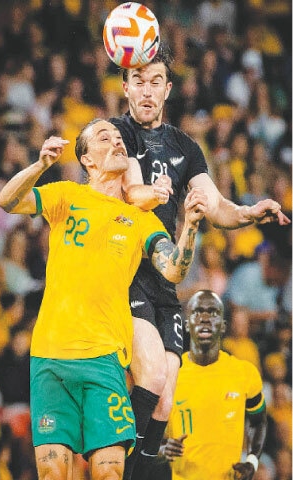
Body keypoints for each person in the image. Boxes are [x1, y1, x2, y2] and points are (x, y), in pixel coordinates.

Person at [109, 44, 290, 480]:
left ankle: (138, 469)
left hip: (164, 279)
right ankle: (122, 470)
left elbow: (215, 204)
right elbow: (129, 187)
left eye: (156, 81)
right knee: (151, 375)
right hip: (122, 271)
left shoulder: (184, 147)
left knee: (166, 398)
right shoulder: (114, 135)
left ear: (168, 89)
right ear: (125, 87)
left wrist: (247, 214)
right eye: (139, 80)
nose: (147, 90)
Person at [0, 119, 207, 480]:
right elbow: (8, 201)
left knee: (109, 475)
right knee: (52, 475)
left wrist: (189, 227)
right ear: (86, 159)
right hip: (51, 358)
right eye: (104, 137)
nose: (117, 141)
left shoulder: (141, 219)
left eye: (119, 137)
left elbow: (173, 269)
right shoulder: (66, 195)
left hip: (105, 361)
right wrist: (40, 165)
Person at [160, 289, 267, 480]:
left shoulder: (244, 373)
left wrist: (252, 461)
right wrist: (162, 449)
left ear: (224, 326)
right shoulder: (169, 374)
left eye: (213, 312)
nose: (205, 318)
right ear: (186, 324)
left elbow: (258, 422)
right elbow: (143, 435)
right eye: (198, 311)